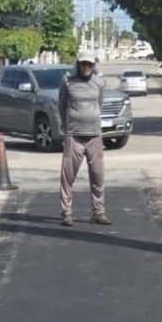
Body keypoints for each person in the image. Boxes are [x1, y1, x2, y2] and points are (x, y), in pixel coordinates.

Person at [58, 50, 111, 227]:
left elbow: (100, 104)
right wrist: (66, 127)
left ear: (94, 64)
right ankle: (66, 212)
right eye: (83, 63)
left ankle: (98, 212)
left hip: (94, 135)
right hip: (74, 135)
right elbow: (62, 105)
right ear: (78, 64)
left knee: (98, 176)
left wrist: (90, 117)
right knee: (68, 176)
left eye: (89, 64)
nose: (86, 67)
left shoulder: (99, 82)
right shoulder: (67, 80)